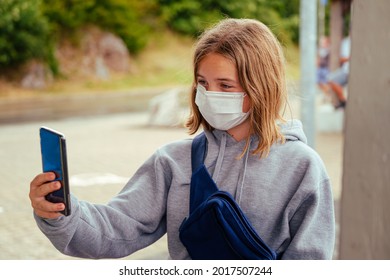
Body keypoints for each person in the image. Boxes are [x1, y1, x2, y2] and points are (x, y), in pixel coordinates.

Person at [29, 18, 335, 260]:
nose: (210, 94)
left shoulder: (302, 167)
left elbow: (310, 261)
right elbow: (115, 230)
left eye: (225, 85)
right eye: (203, 82)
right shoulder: (173, 162)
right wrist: (61, 212)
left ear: (261, 87)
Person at [327, 34, 350, 108]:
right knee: (331, 79)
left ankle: (342, 101)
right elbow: (342, 59)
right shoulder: (346, 42)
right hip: (346, 70)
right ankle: (343, 101)